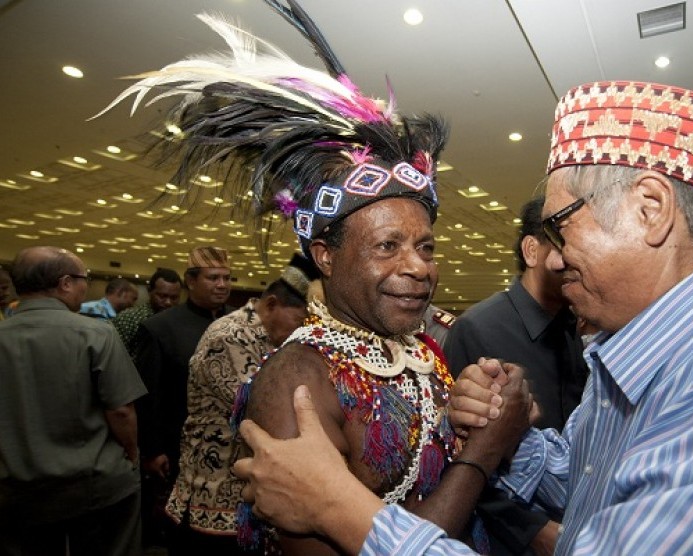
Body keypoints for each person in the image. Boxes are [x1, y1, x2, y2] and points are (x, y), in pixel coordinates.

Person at [233, 81, 693, 555]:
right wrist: (508, 429)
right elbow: (590, 476)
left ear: (650, 211)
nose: (551, 256)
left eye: (559, 226)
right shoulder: (651, 351)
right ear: (325, 257)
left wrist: (340, 507)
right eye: (388, 247)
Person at [96, 5, 533, 554]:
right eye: (387, 246)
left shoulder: (422, 349)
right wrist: (483, 452)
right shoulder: (296, 381)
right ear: (325, 256)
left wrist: (472, 413)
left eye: (425, 246)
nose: (419, 267)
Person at [444, 196, 588, 555]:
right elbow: (457, 455)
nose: (578, 259)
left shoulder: (579, 327)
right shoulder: (478, 329)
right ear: (531, 250)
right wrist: (534, 530)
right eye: (564, 244)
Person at [165, 254, 318, 556]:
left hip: (253, 501)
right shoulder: (230, 336)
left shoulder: (275, 338)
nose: (304, 330)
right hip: (213, 500)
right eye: (301, 321)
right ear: (272, 304)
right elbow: (261, 412)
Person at [0, 246, 146, 556]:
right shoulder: (96, 333)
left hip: (14, 487)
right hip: (93, 483)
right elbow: (120, 410)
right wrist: (132, 454)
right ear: (66, 283)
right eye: (84, 279)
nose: (85, 286)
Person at [134, 246, 232, 546]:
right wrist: (152, 450)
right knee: (185, 533)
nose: (222, 285)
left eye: (227, 278)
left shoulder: (237, 325)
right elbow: (147, 394)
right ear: (191, 281)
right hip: (178, 448)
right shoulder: (160, 328)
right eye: (213, 278)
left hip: (229, 450)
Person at [112, 267, 183, 359]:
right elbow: (115, 357)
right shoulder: (128, 318)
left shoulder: (181, 322)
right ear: (149, 291)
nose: (168, 302)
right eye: (162, 296)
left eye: (174, 298)